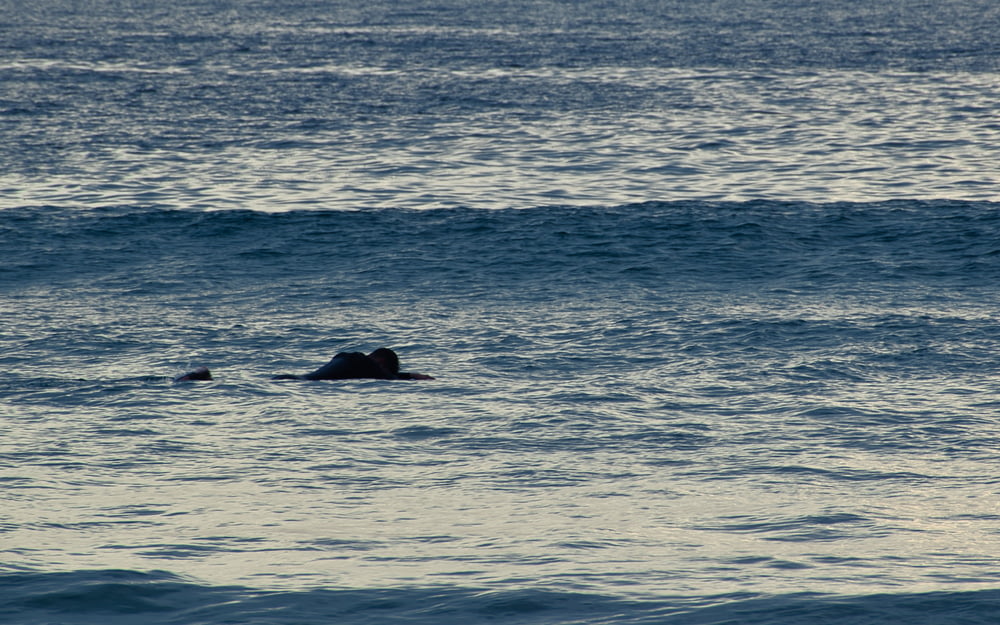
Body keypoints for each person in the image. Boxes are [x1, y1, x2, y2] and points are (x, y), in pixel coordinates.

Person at [173, 348, 433, 383]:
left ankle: (204, 378)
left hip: (337, 361)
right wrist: (409, 377)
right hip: (353, 360)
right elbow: (423, 378)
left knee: (297, 380)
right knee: (306, 382)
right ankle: (203, 379)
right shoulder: (371, 367)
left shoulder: (361, 364)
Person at [273, 348, 434, 381]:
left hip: (296, 378)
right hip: (300, 380)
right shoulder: (366, 364)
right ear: (382, 362)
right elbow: (389, 377)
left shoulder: (353, 360)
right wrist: (411, 376)